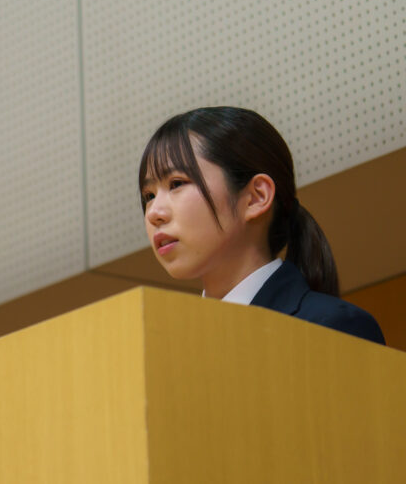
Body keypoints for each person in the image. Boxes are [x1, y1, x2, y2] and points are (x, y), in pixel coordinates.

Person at [138, 106, 384, 344]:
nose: (154, 213)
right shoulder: (169, 344)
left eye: (177, 183)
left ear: (256, 197)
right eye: (149, 196)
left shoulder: (331, 327)